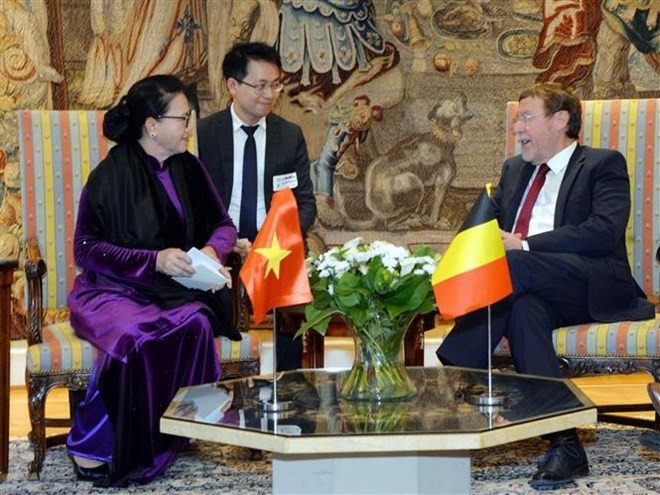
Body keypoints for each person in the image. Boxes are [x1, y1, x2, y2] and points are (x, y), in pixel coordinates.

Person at [436, 83, 655, 490]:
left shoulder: (603, 164)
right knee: (521, 311)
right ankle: (565, 444)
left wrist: (525, 244)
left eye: (526, 117)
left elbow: (603, 232)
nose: (517, 127)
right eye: (518, 118)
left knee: (513, 266)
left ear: (561, 120)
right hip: (527, 288)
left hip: (588, 283)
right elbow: (485, 230)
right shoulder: (513, 169)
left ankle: (452, 368)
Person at [66, 75, 238, 487]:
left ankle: (168, 434)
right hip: (109, 291)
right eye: (182, 118)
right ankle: (94, 444)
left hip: (174, 290)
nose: (188, 128)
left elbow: (223, 224)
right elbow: (86, 251)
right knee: (134, 336)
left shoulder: (189, 167)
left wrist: (213, 251)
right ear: (152, 125)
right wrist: (154, 260)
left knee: (196, 324)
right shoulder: (108, 176)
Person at [198, 41, 316, 371]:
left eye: (275, 84)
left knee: (290, 308)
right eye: (260, 85)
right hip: (222, 247)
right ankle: (223, 394)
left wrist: (278, 237)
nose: (270, 94)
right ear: (232, 86)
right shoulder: (204, 134)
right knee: (210, 316)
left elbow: (304, 202)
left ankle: (290, 393)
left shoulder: (289, 135)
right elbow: (192, 203)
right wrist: (221, 240)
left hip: (274, 246)